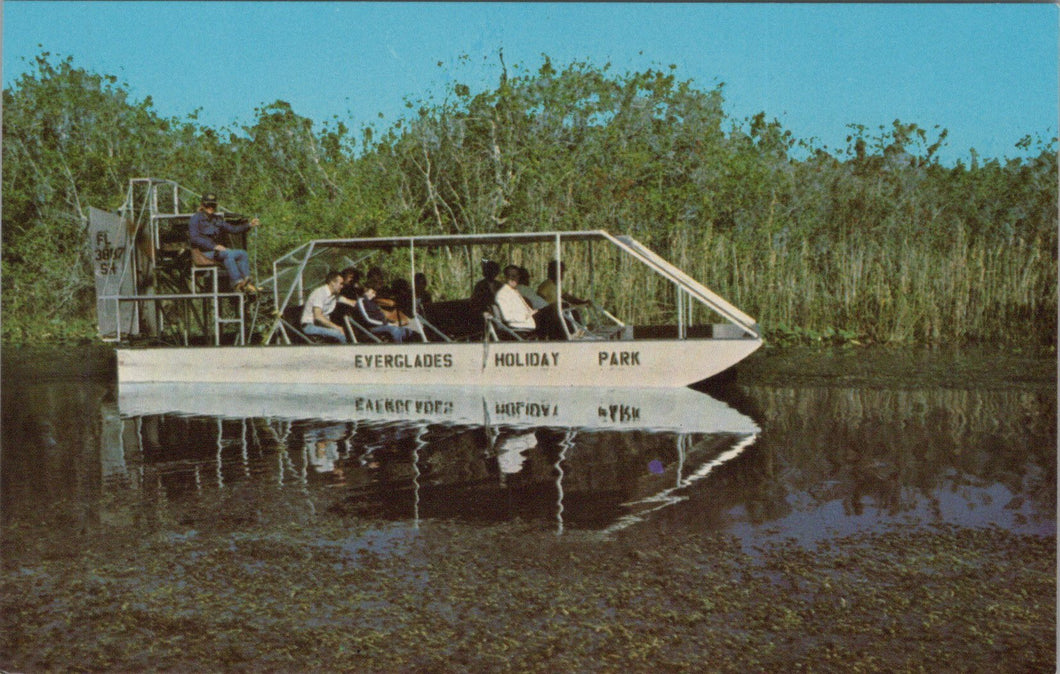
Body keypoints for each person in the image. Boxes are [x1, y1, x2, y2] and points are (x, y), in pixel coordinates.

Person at [188, 192, 260, 293]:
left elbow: (233, 229)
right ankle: (237, 283)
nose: (210, 208)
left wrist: (249, 225)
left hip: (217, 253)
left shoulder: (217, 219)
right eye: (208, 205)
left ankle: (247, 283)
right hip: (203, 254)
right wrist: (214, 246)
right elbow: (194, 238)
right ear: (202, 205)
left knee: (242, 253)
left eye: (213, 205)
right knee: (228, 254)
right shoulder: (195, 219)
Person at [301, 271, 359, 343]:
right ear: (332, 283)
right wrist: (337, 327)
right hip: (310, 326)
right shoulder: (320, 293)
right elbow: (318, 316)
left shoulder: (334, 295)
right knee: (339, 334)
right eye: (341, 284)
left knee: (346, 331)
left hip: (321, 326)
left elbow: (351, 302)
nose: (342, 286)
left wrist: (365, 301)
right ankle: (346, 350)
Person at [357, 278, 415, 343]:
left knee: (409, 330)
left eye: (375, 293)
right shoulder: (361, 301)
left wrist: (391, 323)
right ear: (366, 291)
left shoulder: (372, 302)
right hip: (373, 327)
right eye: (373, 292)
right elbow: (368, 319)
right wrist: (388, 324)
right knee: (395, 330)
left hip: (383, 324)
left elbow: (381, 316)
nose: (374, 294)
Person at [494, 265, 538, 331]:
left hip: (529, 323)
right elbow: (507, 317)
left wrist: (531, 312)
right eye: (510, 276)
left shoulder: (514, 291)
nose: (513, 279)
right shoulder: (502, 294)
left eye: (515, 276)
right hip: (520, 328)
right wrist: (525, 315)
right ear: (505, 277)